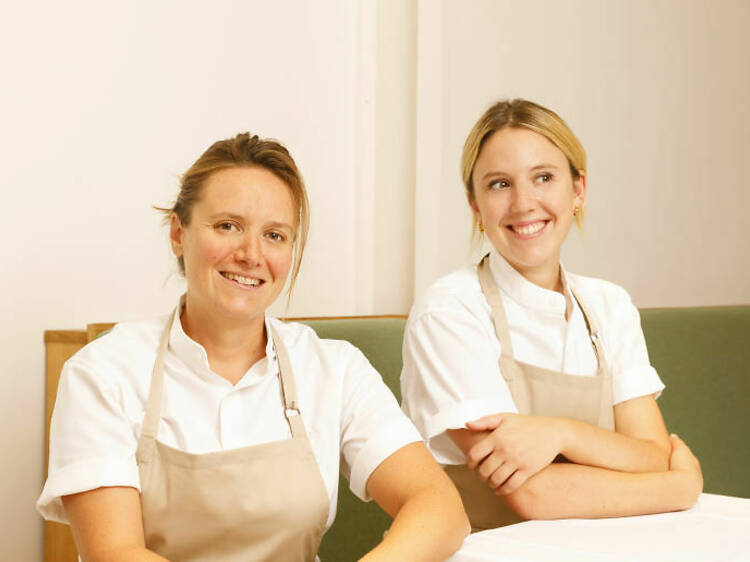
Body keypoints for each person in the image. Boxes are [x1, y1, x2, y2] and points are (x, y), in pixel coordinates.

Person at [38, 132, 469, 561]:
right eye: (228, 226)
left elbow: (439, 507)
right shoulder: (103, 372)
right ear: (177, 233)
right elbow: (114, 553)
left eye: (275, 235)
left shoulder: (334, 368)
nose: (251, 254)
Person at [400, 99, 703, 531]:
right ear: (474, 204)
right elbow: (533, 494)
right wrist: (678, 488)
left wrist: (562, 433)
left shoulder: (609, 306)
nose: (524, 203)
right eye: (499, 184)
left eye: (543, 177)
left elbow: (652, 454)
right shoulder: (449, 311)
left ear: (578, 189)